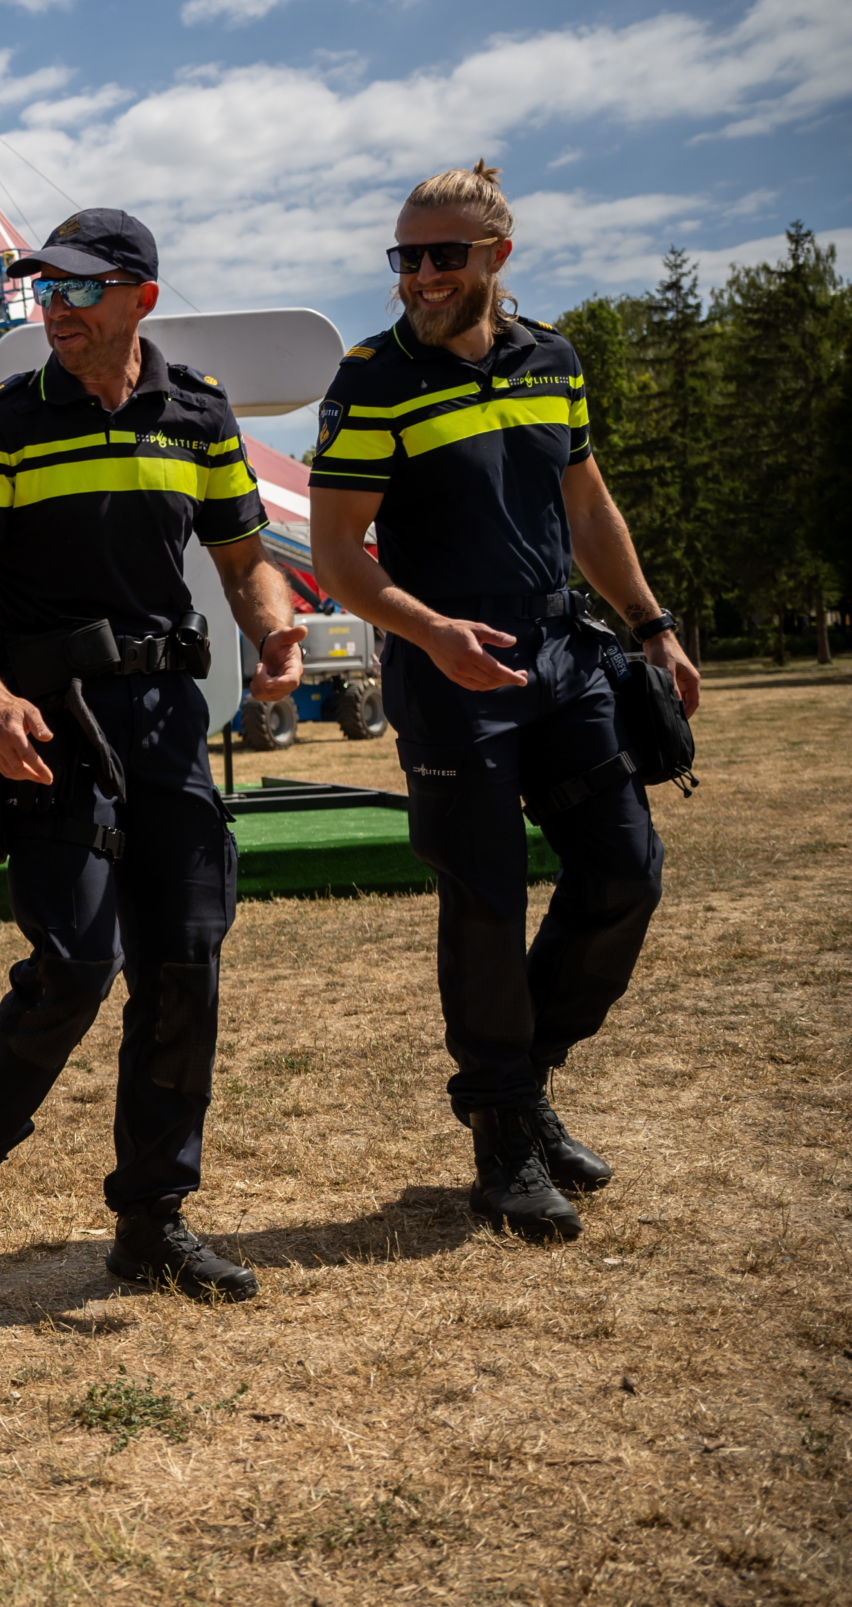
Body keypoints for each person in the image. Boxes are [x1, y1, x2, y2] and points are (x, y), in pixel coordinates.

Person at [0, 209, 306, 1301]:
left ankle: (150, 1221)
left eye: (81, 291)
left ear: (140, 296)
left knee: (185, 968)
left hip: (168, 729)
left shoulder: (197, 414)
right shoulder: (6, 421)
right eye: (49, 291)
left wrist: (273, 626)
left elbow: (241, 559)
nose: (57, 311)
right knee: (78, 966)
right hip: (51, 733)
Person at [308, 162, 698, 1243]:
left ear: (496, 258)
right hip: (446, 674)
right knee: (482, 903)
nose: (420, 276)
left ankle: (519, 1087)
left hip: (562, 658)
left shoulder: (553, 361)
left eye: (442, 255)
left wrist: (651, 625)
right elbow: (338, 554)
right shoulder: (369, 378)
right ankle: (501, 1147)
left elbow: (588, 505)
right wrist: (429, 632)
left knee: (624, 870)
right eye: (405, 257)